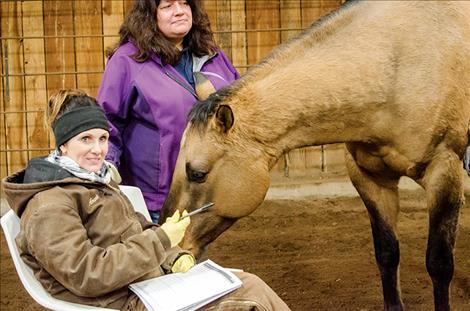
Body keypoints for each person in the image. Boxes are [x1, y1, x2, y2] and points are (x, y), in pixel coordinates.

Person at [2, 90, 290, 310]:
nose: (98, 150)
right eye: (86, 140)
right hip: (124, 299)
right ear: (63, 144)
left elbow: (137, 229)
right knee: (252, 293)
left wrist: (176, 256)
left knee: (242, 281)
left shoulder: (97, 181)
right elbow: (86, 274)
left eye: (102, 138)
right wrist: (162, 241)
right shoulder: (49, 203)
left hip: (149, 283)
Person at [96, 0, 240, 223]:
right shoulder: (127, 61)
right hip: (155, 199)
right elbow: (107, 123)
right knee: (159, 254)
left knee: (190, 256)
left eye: (184, 4)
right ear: (149, 16)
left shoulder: (212, 55)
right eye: (167, 6)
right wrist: (106, 170)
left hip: (204, 193)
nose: (179, 12)